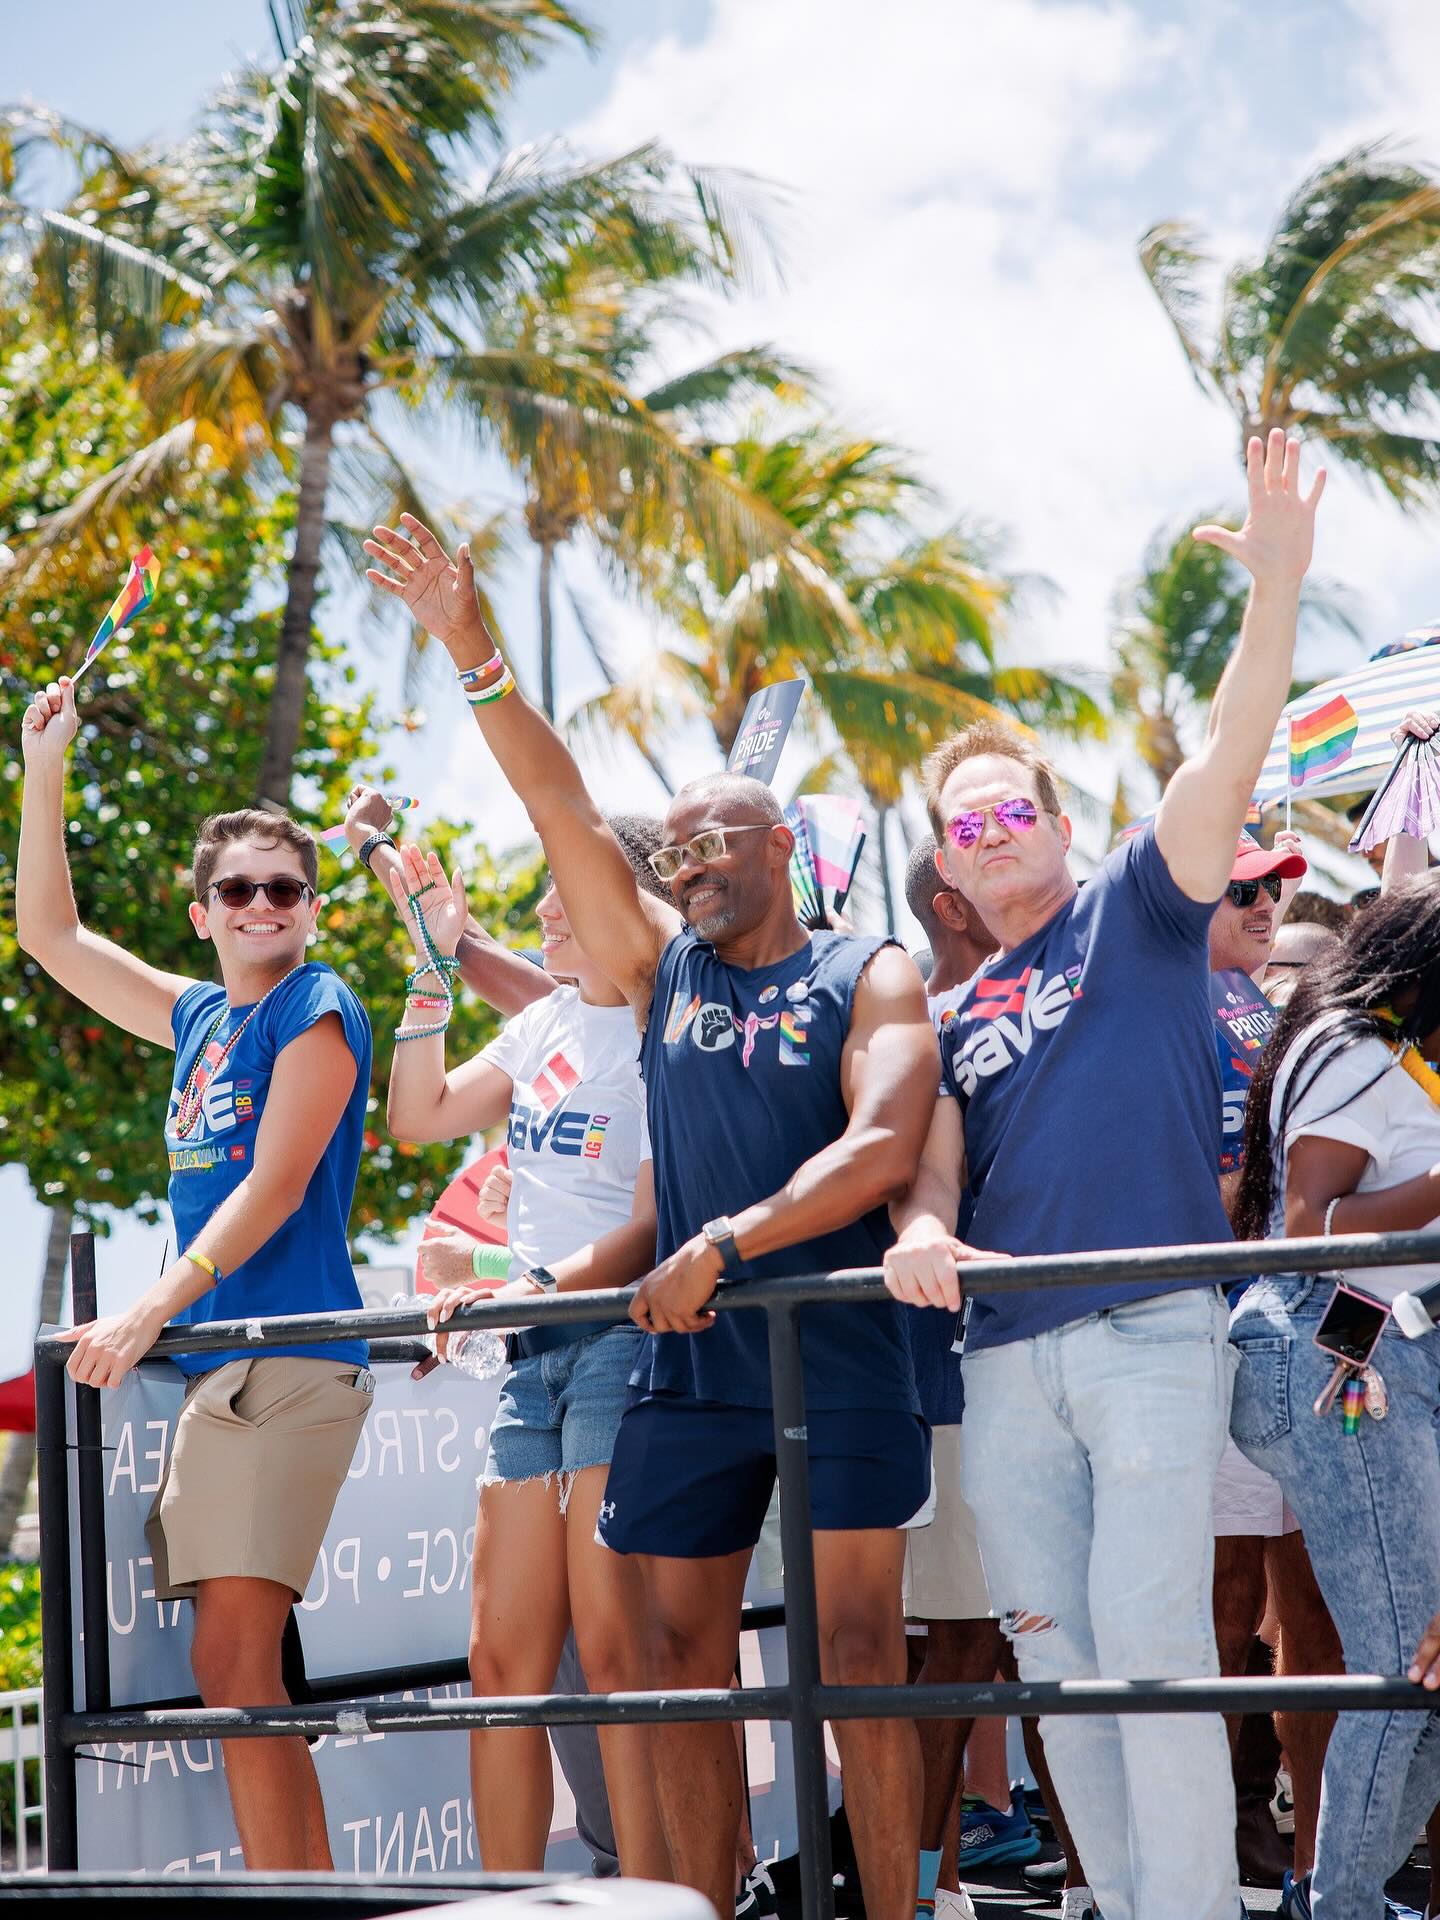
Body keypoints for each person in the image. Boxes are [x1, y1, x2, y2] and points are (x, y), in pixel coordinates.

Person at [360, 512, 940, 1920]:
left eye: (712, 843)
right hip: (691, 1369)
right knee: (678, 1659)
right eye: (671, 852)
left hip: (839, 1342)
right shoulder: (660, 975)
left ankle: (895, 1912)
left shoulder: (872, 975)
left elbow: (879, 1151)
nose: (688, 866)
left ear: (780, 844)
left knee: (856, 1649)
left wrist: (726, 1243)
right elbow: (562, 812)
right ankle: (695, 1907)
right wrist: (470, 644)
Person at [884, 429, 1327, 1920]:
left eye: (1019, 810)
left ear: (1063, 830)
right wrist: (922, 1234)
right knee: (1057, 1662)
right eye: (969, 824)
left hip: (1148, 1331)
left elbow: (1224, 760)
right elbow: (931, 1175)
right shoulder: (947, 1014)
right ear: (948, 869)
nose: (996, 834)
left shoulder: (1139, 908)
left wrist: (1276, 589)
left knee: (1151, 1641)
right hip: (1006, 1356)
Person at [16, 677, 373, 1872]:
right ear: (203, 912)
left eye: (285, 887)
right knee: (239, 1670)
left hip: (289, 1365)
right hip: (219, 1373)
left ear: (311, 909)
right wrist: (46, 760)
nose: (263, 903)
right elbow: (47, 939)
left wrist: (146, 1310)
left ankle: (310, 1902)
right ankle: (303, 1895)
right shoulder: (199, 1017)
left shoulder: (319, 1005)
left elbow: (273, 1189)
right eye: (239, 888)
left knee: (235, 1663)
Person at [378, 835, 670, 1880]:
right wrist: (426, 973)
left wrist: (526, 1289)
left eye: (564, 891)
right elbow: (418, 1118)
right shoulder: (542, 1018)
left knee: (615, 1652)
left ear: (626, 900)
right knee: (502, 1664)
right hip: (529, 1354)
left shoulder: (663, 1027)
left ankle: (655, 1898)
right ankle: (505, 1902)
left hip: (619, 1345)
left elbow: (650, 1229)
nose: (545, 909)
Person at [1230, 882, 1440, 1920]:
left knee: (1424, 1665)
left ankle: (1340, 1892)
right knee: (1405, 1666)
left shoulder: (1391, 1052)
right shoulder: (1360, 1049)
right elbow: (1310, 1229)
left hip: (1366, 1363)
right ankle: (1341, 1903)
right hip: (1339, 1362)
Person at [1206, 829, 1343, 1890]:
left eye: (1275, 888)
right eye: (1242, 886)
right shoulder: (1147, 1005)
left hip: (1301, 1327)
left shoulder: (1297, 1018)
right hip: (1188, 1338)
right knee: (1209, 1614)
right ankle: (1221, 1861)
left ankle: (1307, 1866)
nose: (1264, 903)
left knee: (1310, 1613)